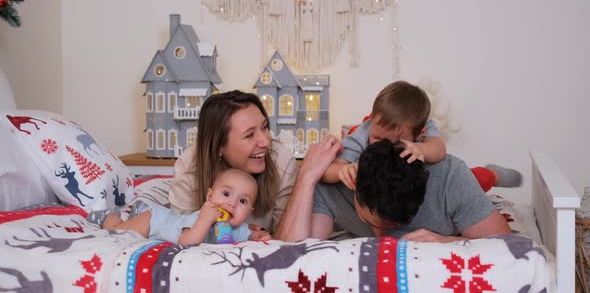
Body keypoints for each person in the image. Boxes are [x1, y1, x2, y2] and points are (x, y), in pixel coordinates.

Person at [274, 138, 511, 242]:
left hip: (464, 180)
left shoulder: (451, 178)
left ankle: (494, 173)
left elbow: (506, 244)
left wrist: (446, 241)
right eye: (368, 220)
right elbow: (292, 252)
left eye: (391, 226)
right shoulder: (337, 184)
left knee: (480, 177)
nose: (380, 237)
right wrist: (306, 176)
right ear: (354, 186)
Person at [322, 81, 521, 193]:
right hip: (384, 186)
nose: (385, 146)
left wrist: (421, 150)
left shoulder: (425, 132)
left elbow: (439, 149)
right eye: (377, 138)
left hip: (422, 179)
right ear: (373, 120)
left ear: (420, 132)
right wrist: (343, 170)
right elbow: (327, 170)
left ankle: (493, 175)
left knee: (468, 181)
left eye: (396, 143)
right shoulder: (363, 132)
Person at [168, 90, 298, 234]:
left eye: (265, 127)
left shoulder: (280, 159)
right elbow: (183, 236)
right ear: (218, 146)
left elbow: (287, 237)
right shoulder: (189, 168)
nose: (266, 142)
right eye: (249, 135)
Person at [98, 168, 267, 244]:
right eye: (226, 194)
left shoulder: (241, 229)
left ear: (249, 212)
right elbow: (186, 242)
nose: (232, 203)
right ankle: (110, 216)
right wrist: (205, 220)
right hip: (154, 221)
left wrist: (259, 238)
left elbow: (254, 241)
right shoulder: (199, 217)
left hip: (158, 221)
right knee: (119, 235)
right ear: (209, 197)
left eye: (243, 201)